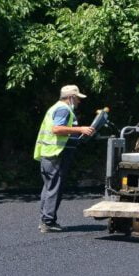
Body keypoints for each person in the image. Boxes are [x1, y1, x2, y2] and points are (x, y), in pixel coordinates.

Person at [33, 85, 94, 232]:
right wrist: (80, 129)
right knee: (54, 188)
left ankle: (45, 220)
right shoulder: (63, 109)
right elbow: (57, 129)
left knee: (49, 188)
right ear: (71, 97)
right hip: (56, 154)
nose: (79, 101)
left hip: (49, 153)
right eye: (77, 98)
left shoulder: (55, 107)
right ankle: (48, 222)